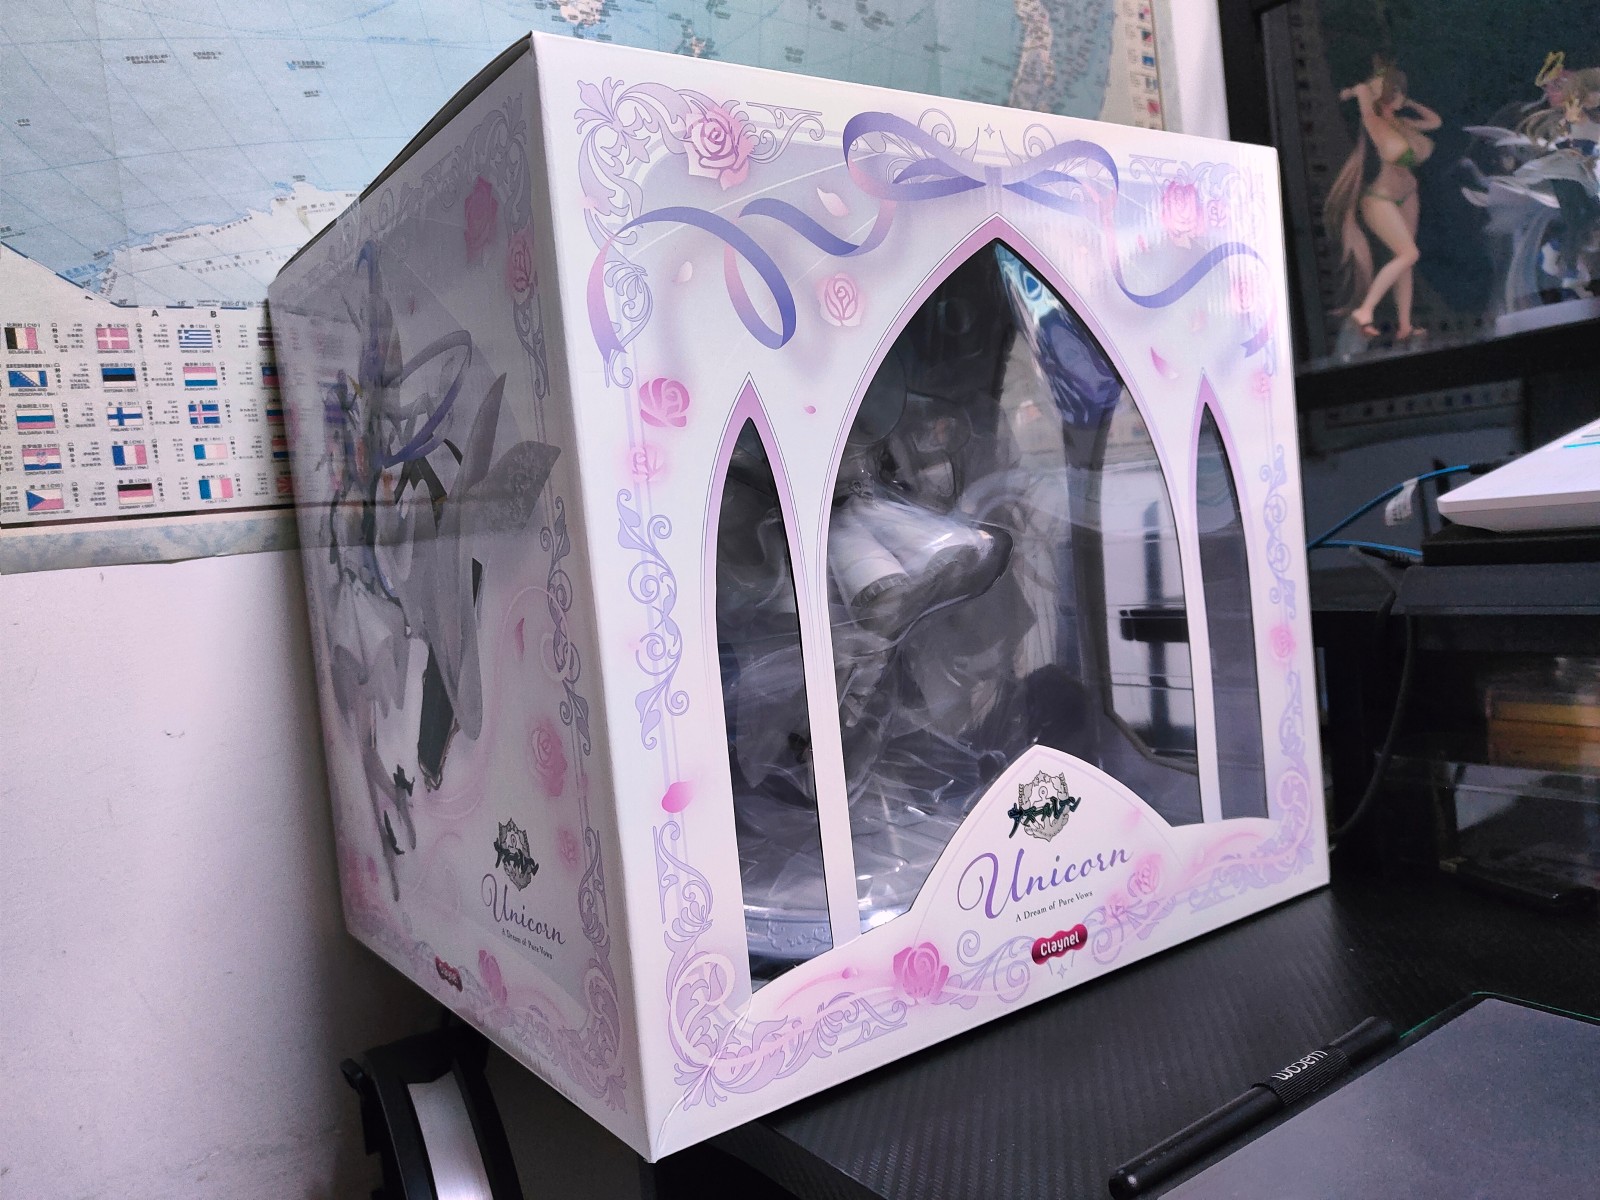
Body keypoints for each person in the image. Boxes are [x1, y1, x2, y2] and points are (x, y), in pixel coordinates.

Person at [1325, 57, 1442, 340]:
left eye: (1399, 91)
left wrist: (1408, 101)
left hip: (1408, 195)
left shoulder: (1402, 122)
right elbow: (1362, 96)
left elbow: (1435, 121)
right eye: (1392, 91)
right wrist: (1359, 92)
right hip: (1381, 198)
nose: (1396, 96)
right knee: (1409, 254)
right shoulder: (1374, 122)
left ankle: (1405, 325)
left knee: (1405, 260)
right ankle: (1365, 311)